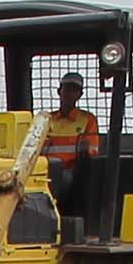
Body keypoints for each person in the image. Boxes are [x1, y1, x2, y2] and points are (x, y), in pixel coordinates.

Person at [39, 72, 104, 229]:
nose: (69, 94)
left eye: (74, 90)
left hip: (72, 169)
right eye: (67, 89)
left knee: (64, 182)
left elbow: (91, 151)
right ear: (59, 91)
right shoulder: (47, 119)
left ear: (80, 95)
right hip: (44, 168)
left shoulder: (87, 120)